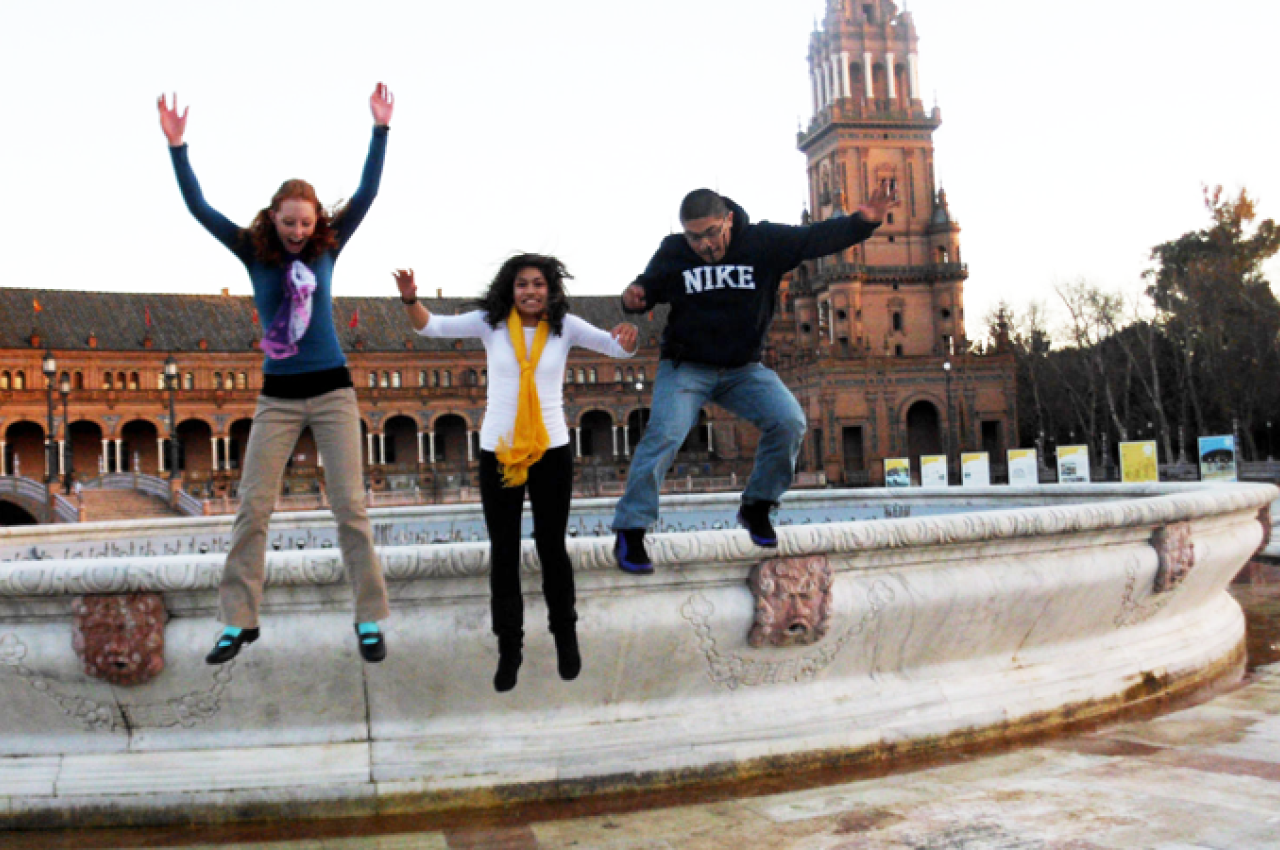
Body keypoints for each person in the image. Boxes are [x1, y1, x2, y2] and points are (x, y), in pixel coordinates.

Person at [158, 84, 395, 664]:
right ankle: (240, 621)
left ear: (317, 224)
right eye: (288, 222)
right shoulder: (252, 249)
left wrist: (380, 131)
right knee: (252, 508)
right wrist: (178, 147)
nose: (296, 231)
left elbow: (367, 192)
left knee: (351, 509)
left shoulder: (326, 250)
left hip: (334, 390)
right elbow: (199, 209)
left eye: (305, 223)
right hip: (278, 397)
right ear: (273, 218)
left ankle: (368, 617)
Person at [613, 185, 897, 574]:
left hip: (743, 370)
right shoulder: (674, 250)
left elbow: (815, 239)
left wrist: (864, 221)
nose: (705, 245)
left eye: (712, 233)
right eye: (695, 237)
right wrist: (633, 299)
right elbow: (646, 288)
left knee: (790, 422)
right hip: (687, 367)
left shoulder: (762, 241)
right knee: (664, 434)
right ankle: (631, 529)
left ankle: (758, 504)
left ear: (728, 219)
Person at [394, 257, 637, 691]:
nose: (530, 291)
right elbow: (430, 327)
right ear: (510, 289)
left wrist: (628, 338)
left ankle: (565, 635)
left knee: (552, 546)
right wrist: (411, 298)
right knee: (503, 552)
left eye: (538, 284)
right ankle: (510, 647)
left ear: (550, 289)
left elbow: (617, 350)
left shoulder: (567, 327)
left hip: (551, 449)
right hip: (499, 450)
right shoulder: (491, 325)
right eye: (522, 284)